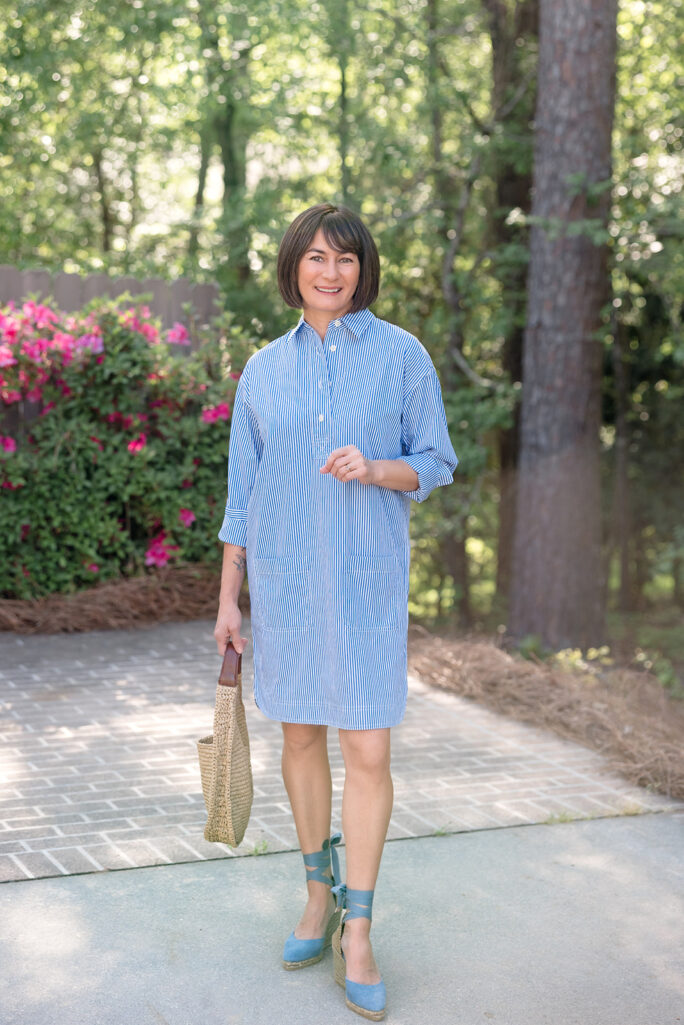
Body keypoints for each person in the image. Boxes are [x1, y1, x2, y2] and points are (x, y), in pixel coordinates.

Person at [213, 202, 458, 1021]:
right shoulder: (262, 370)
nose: (330, 271)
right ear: (293, 268)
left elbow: (438, 461)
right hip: (284, 587)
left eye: (345, 258)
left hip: (366, 584)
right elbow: (241, 496)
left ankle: (360, 928)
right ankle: (315, 896)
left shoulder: (402, 357)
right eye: (316, 256)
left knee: (369, 748)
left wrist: (378, 467)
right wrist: (227, 599)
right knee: (302, 737)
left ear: (362, 270)